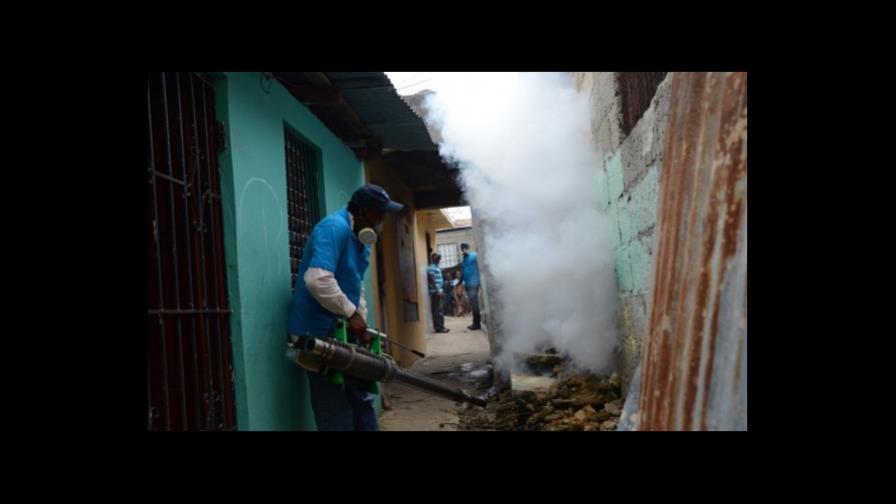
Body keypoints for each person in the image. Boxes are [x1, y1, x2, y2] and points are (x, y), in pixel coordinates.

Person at [287, 183, 403, 431]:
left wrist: (361, 321)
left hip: (343, 331)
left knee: (362, 399)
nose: (381, 221)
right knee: (335, 409)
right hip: (316, 334)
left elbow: (355, 283)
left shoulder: (363, 239)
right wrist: (351, 313)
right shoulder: (334, 228)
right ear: (362, 212)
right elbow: (317, 278)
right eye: (378, 214)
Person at [458, 243, 482, 330]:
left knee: (474, 304)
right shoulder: (463, 260)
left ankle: (477, 324)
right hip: (467, 284)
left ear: (468, 248)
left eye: (464, 248)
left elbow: (481, 267)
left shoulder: (474, 255)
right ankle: (475, 323)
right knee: (472, 304)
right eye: (462, 248)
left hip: (475, 283)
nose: (463, 249)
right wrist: (459, 282)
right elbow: (463, 273)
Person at [428, 253, 450, 333]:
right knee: (438, 310)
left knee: (438, 310)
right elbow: (432, 279)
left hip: (438, 290)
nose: (438, 260)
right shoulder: (431, 268)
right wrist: (437, 291)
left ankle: (438, 327)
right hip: (436, 292)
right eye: (437, 258)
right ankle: (440, 328)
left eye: (439, 258)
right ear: (433, 259)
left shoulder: (437, 267)